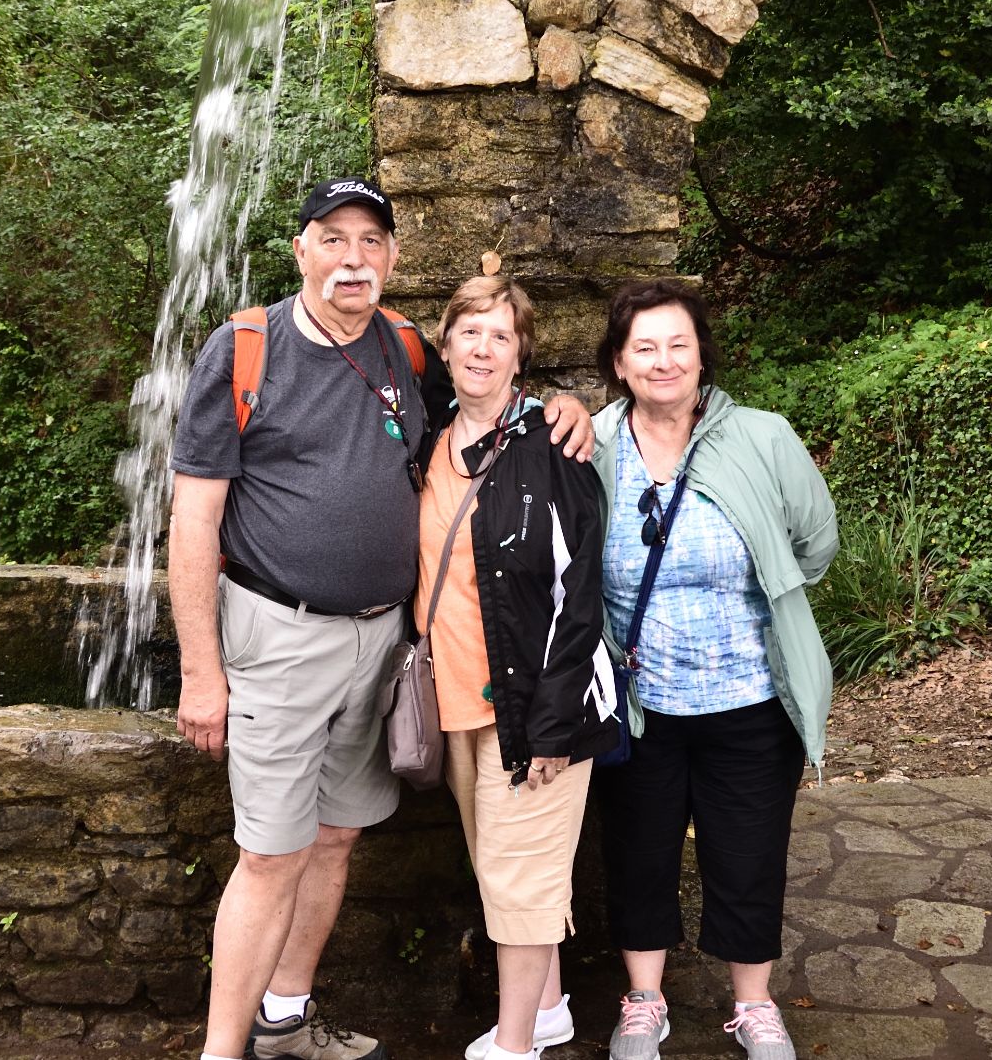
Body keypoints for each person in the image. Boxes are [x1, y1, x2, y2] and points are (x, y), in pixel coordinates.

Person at [167, 178, 594, 1060]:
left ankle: (285, 1017)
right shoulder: (246, 349)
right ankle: (220, 1051)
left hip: (384, 646)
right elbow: (193, 519)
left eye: (371, 241)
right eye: (332, 238)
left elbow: (490, 396)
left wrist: (564, 405)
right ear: (301, 251)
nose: (352, 257)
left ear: (392, 260)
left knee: (335, 836)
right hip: (277, 635)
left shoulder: (404, 348)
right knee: (271, 852)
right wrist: (201, 670)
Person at [588, 279, 838, 1060]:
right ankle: (643, 1001)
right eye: (644, 348)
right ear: (619, 363)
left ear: (702, 356)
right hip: (640, 700)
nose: (663, 361)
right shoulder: (591, 444)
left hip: (750, 696)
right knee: (638, 851)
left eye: (678, 345)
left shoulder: (761, 436)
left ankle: (754, 1004)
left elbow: (815, 541)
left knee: (749, 850)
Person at [411, 277, 617, 1060]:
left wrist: (554, 722)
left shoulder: (552, 449)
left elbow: (581, 592)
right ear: (446, 344)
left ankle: (516, 1043)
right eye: (469, 332)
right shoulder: (429, 435)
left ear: (519, 355)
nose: (482, 348)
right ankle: (553, 1004)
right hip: (457, 702)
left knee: (522, 886)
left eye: (500, 336)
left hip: (533, 709)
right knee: (506, 879)